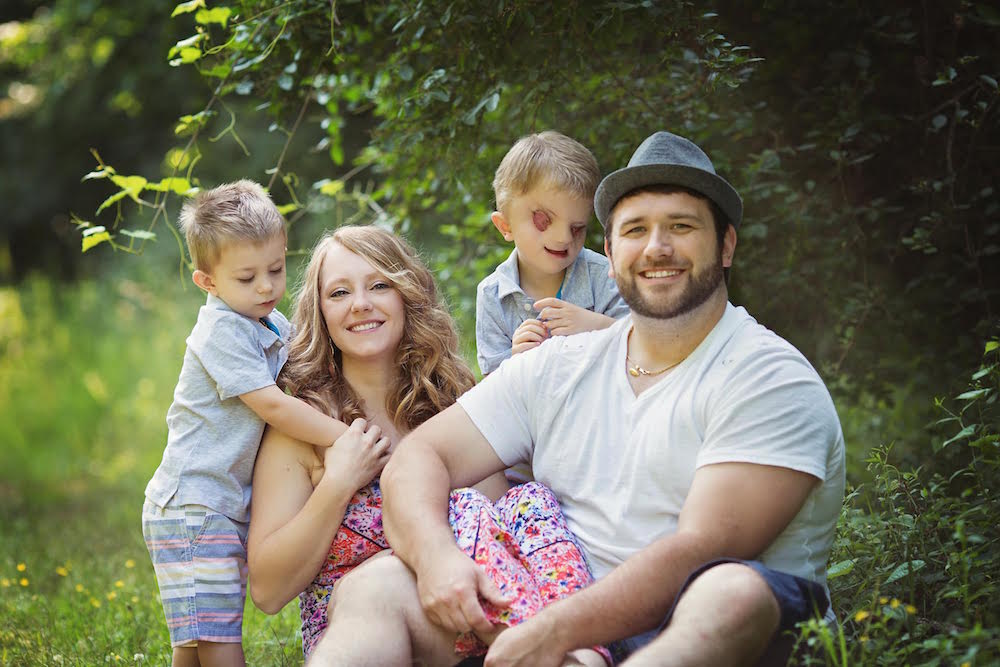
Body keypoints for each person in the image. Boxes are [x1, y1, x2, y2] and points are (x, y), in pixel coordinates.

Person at [318, 131, 847, 667]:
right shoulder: (558, 363)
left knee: (732, 592)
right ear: (611, 254)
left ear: (726, 244)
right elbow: (417, 459)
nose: (657, 247)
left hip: (686, 631)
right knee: (376, 585)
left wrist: (553, 630)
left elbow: (701, 549)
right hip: (553, 607)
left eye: (681, 227)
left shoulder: (768, 377)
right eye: (636, 230)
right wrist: (437, 562)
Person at [245, 226, 605, 666]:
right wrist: (337, 485)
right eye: (339, 293)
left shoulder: (451, 400)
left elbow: (491, 523)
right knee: (385, 578)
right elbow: (266, 590)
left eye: (379, 285)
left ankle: (571, 650)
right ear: (321, 312)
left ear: (406, 295)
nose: (361, 304)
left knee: (527, 501)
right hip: (369, 631)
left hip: (475, 612)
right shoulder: (303, 424)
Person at [141, 180, 356, 667]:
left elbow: (306, 357)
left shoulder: (268, 321)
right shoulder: (221, 330)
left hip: (217, 503)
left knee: (199, 637)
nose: (265, 287)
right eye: (247, 278)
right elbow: (275, 406)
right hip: (195, 504)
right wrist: (346, 439)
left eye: (276, 270)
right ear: (208, 282)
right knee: (218, 642)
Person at [476, 130, 629, 377]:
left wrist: (596, 327)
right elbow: (491, 386)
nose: (564, 238)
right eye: (543, 221)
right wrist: (515, 359)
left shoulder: (604, 276)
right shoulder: (492, 294)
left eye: (577, 228)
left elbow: (642, 347)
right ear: (506, 226)